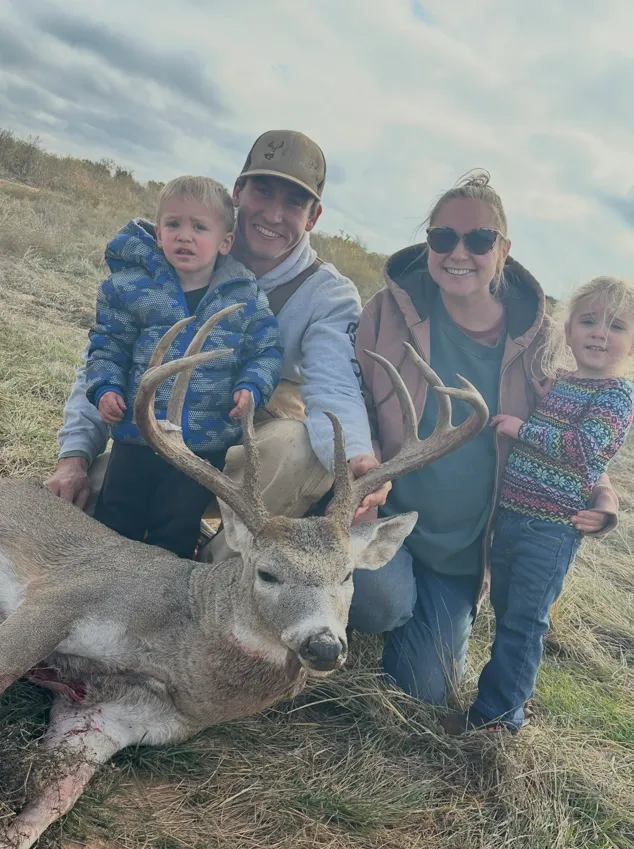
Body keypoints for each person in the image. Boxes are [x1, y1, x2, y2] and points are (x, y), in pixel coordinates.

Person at [349, 171, 620, 708]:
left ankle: (433, 614)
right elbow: (348, 394)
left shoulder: (539, 343)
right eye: (443, 237)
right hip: (385, 522)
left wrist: (604, 493)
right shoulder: (386, 311)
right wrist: (365, 465)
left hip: (461, 555)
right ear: (429, 242)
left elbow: (571, 432)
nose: (459, 252)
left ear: (504, 250)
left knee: (426, 695)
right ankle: (376, 607)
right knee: (378, 599)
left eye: (479, 240)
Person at [45, 131, 388, 549]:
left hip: (245, 444)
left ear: (313, 217)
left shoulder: (327, 294)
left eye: (294, 202)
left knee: (299, 447)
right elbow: (109, 353)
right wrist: (74, 457)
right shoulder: (172, 253)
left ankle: (214, 580)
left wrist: (354, 455)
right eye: (263, 191)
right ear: (238, 191)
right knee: (88, 509)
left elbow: (333, 382)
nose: (274, 214)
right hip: (147, 437)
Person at [441, 275, 634, 733]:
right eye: (588, 321)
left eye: (617, 326)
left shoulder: (617, 394)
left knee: (524, 624)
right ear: (567, 332)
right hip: (511, 519)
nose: (599, 333)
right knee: (507, 615)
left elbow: (587, 449)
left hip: (550, 529)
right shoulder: (560, 382)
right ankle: (508, 700)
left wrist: (521, 429)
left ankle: (498, 719)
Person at [85, 175, 282, 558]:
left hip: (201, 449)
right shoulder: (131, 288)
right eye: (173, 224)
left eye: (199, 227)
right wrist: (104, 387)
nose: (185, 236)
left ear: (225, 242)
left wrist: (253, 387)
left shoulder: (246, 295)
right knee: (113, 524)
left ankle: (161, 604)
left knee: (175, 531)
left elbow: (266, 351)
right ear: (158, 234)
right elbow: (108, 345)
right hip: (136, 436)